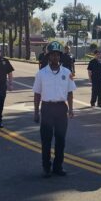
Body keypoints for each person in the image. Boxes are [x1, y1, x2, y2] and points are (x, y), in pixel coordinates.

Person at [33, 41, 76, 177]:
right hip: (46, 108)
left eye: (57, 55)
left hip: (61, 109)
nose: (55, 58)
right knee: (46, 140)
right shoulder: (41, 73)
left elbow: (70, 92)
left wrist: (70, 109)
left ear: (60, 56)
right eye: (52, 55)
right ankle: (46, 167)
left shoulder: (67, 72)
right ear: (48, 56)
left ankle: (58, 166)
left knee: (60, 140)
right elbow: (37, 93)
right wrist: (36, 112)